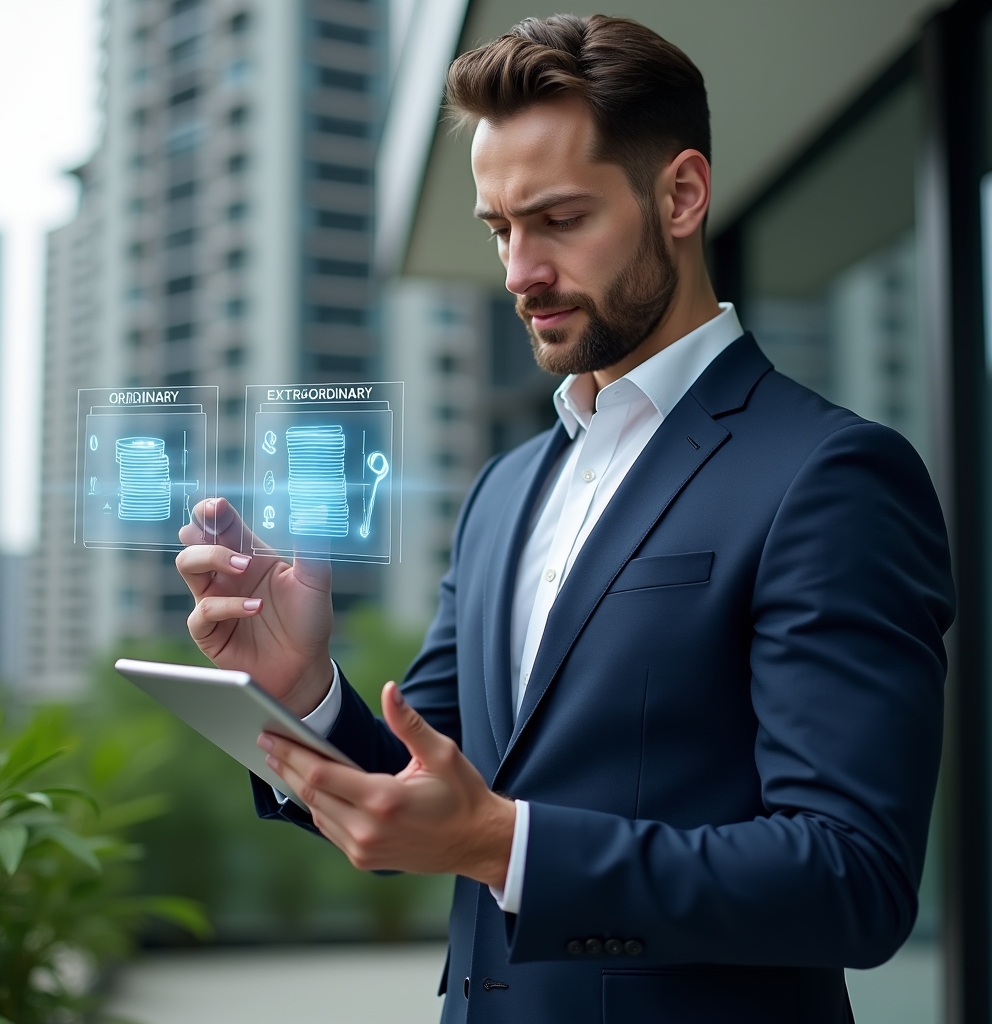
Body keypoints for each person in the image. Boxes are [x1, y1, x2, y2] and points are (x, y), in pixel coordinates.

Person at [175, 14, 954, 1023]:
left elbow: (853, 879)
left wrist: (502, 844)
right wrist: (303, 692)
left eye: (558, 220)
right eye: (500, 228)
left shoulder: (830, 473)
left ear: (680, 194)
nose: (517, 272)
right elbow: (425, 792)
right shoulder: (505, 488)